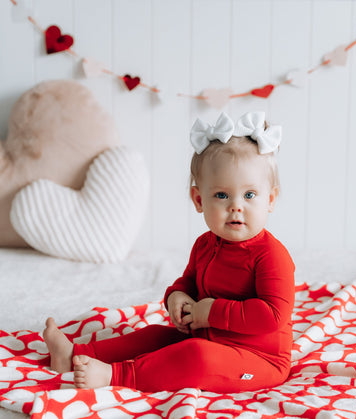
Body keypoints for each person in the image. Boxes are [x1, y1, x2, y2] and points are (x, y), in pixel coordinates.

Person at [43, 111, 295, 393]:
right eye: (222, 195)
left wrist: (211, 312)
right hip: (209, 336)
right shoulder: (204, 244)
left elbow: (273, 314)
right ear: (198, 199)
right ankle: (76, 354)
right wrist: (177, 296)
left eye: (249, 195)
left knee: (198, 356)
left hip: (258, 360)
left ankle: (116, 375)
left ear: (270, 199)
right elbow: (189, 281)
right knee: (155, 336)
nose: (236, 206)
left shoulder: (271, 256)